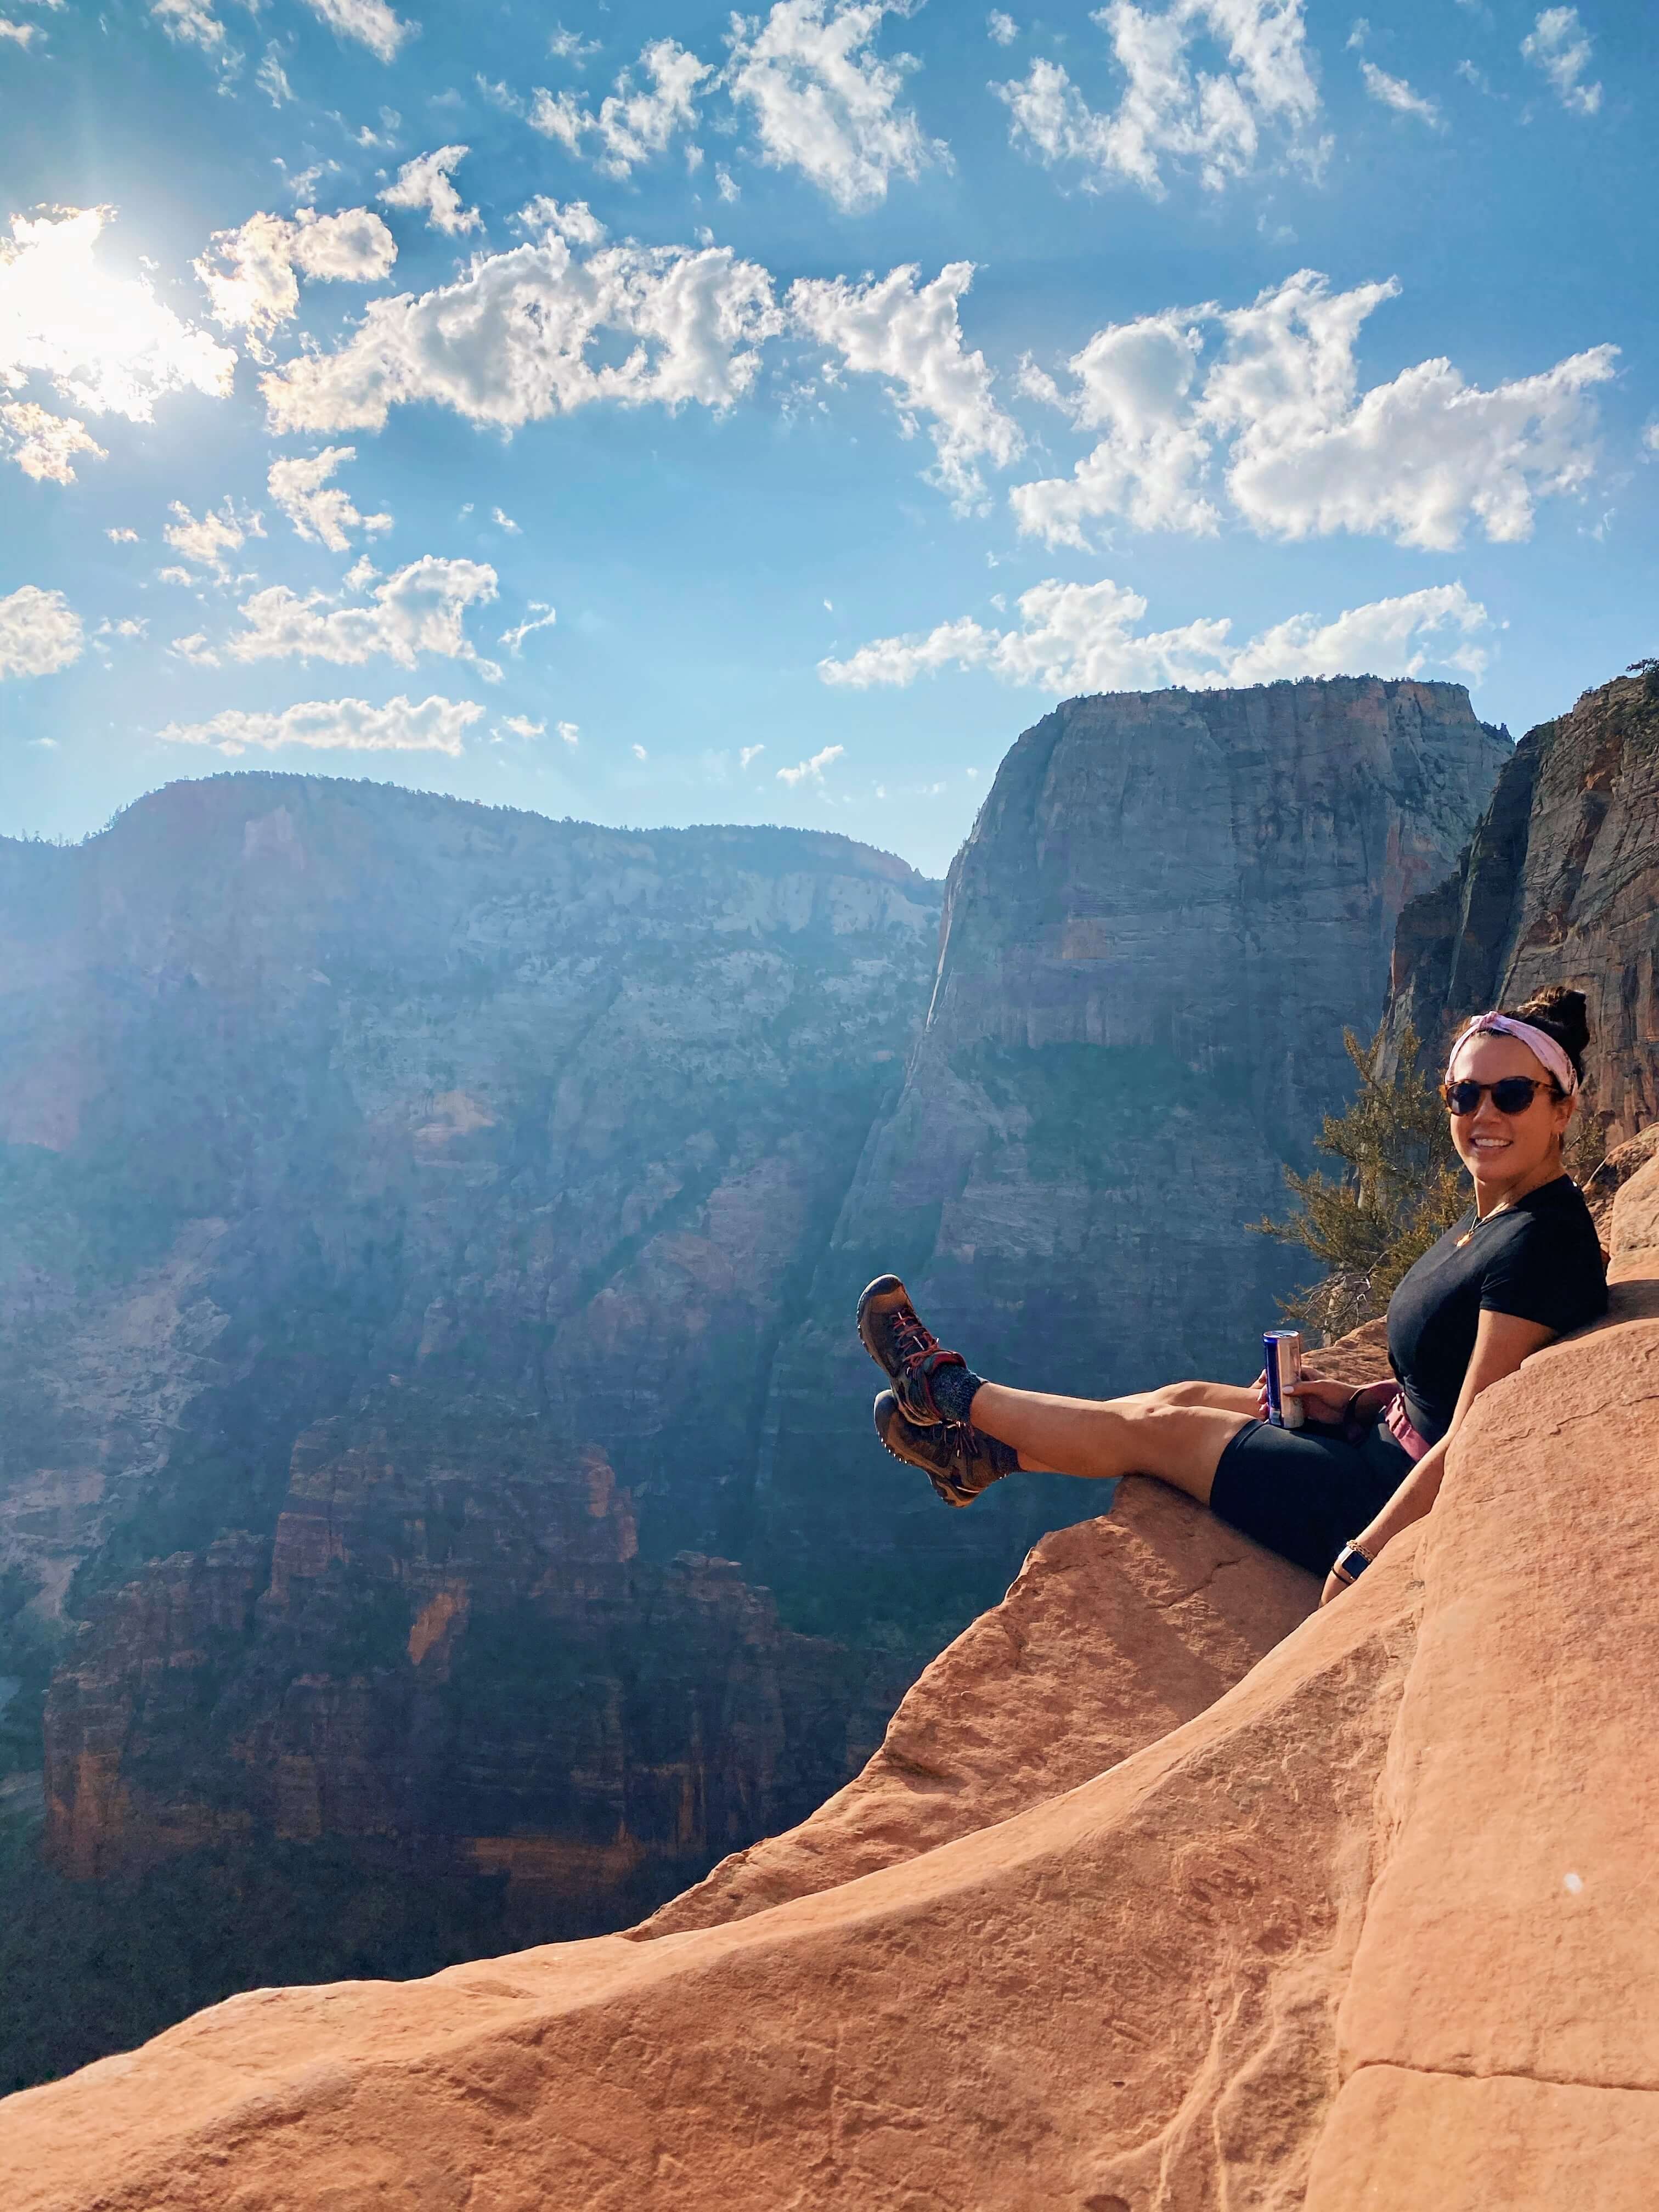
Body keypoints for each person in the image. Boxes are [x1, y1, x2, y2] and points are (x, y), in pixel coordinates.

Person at [859, 986, 1607, 1606]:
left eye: (1512, 1095)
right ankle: (981, 1459)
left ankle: (945, 1387)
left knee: (1161, 1431)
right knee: (1180, 1392)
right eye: (1465, 1093)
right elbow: (1439, 1382)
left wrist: (1365, 1558)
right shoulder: (1497, 1215)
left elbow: (1475, 1430)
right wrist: (1348, 1403)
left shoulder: (1542, 1241)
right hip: (1373, 1440)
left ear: (1562, 1108)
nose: (1485, 1116)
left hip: (1382, 1496)